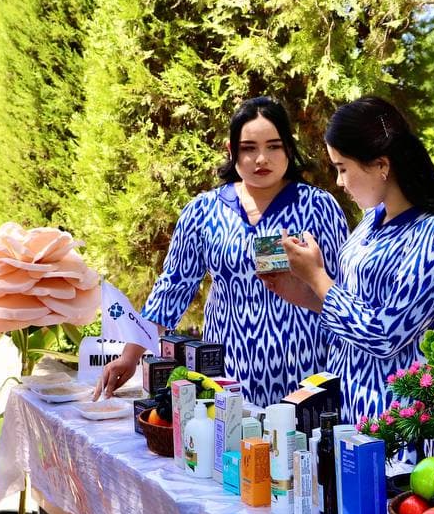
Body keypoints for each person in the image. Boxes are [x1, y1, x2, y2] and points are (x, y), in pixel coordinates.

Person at [95, 97, 348, 406]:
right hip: (227, 376)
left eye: (273, 146)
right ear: (231, 151)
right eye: (248, 148)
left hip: (306, 376)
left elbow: (341, 291)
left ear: (288, 149)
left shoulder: (319, 207)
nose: (261, 159)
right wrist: (130, 356)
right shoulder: (203, 211)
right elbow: (173, 288)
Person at [263, 97, 434, 425]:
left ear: (381, 165)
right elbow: (357, 310)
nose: (339, 182)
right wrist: (304, 290)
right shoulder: (370, 220)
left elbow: (384, 334)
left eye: (342, 168)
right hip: (349, 411)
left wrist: (319, 278)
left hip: (398, 423)